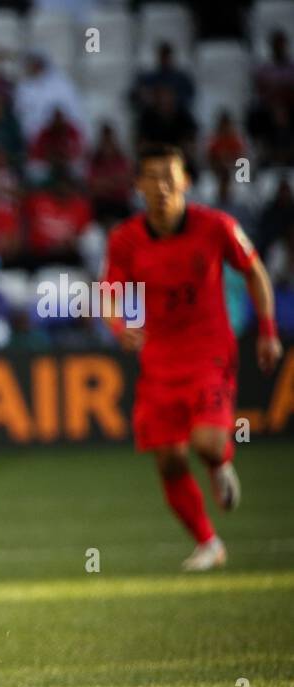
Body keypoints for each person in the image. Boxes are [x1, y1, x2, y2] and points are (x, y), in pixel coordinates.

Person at [100, 144, 283, 571]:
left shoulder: (216, 225)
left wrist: (268, 332)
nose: (162, 186)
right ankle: (208, 543)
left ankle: (220, 466)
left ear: (185, 181)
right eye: (152, 177)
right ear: (138, 185)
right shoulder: (125, 239)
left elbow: (254, 271)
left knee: (206, 442)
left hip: (209, 352)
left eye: (170, 176)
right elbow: (110, 291)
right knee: (168, 458)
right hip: (160, 361)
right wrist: (117, 325)